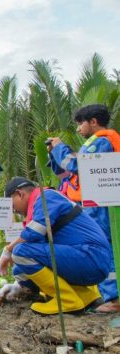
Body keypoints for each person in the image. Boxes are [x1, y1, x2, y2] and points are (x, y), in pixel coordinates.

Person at [0, 177, 110, 314]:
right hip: (83, 257)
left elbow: (34, 233)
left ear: (19, 194)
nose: (14, 211)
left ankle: (67, 301)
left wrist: (8, 250)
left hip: (91, 257)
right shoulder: (39, 204)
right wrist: (17, 285)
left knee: (21, 252)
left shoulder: (46, 197)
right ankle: (85, 296)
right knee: (19, 270)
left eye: (12, 205)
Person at [46, 104, 119, 312]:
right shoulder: (95, 144)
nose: (78, 129)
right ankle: (107, 295)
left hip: (102, 205)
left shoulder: (103, 141)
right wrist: (55, 153)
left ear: (93, 122)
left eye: (80, 124)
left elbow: (79, 166)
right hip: (92, 204)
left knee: (105, 247)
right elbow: (67, 173)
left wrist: (61, 147)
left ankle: (114, 298)